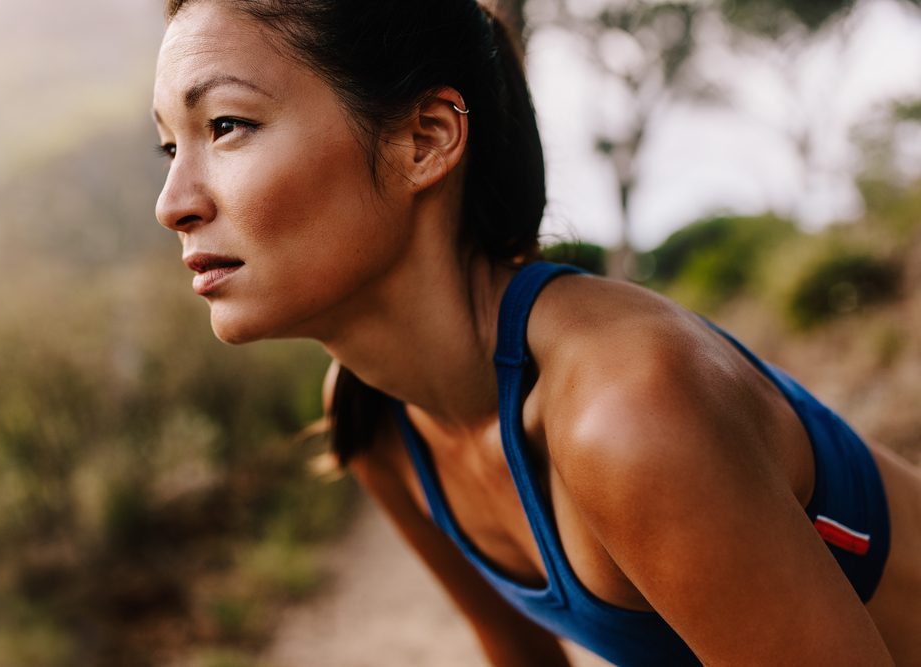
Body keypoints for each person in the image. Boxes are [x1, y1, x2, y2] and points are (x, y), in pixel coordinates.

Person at [151, 0, 921, 664]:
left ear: (424, 140)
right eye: (169, 145)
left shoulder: (626, 408)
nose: (173, 201)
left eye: (226, 125)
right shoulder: (378, 420)